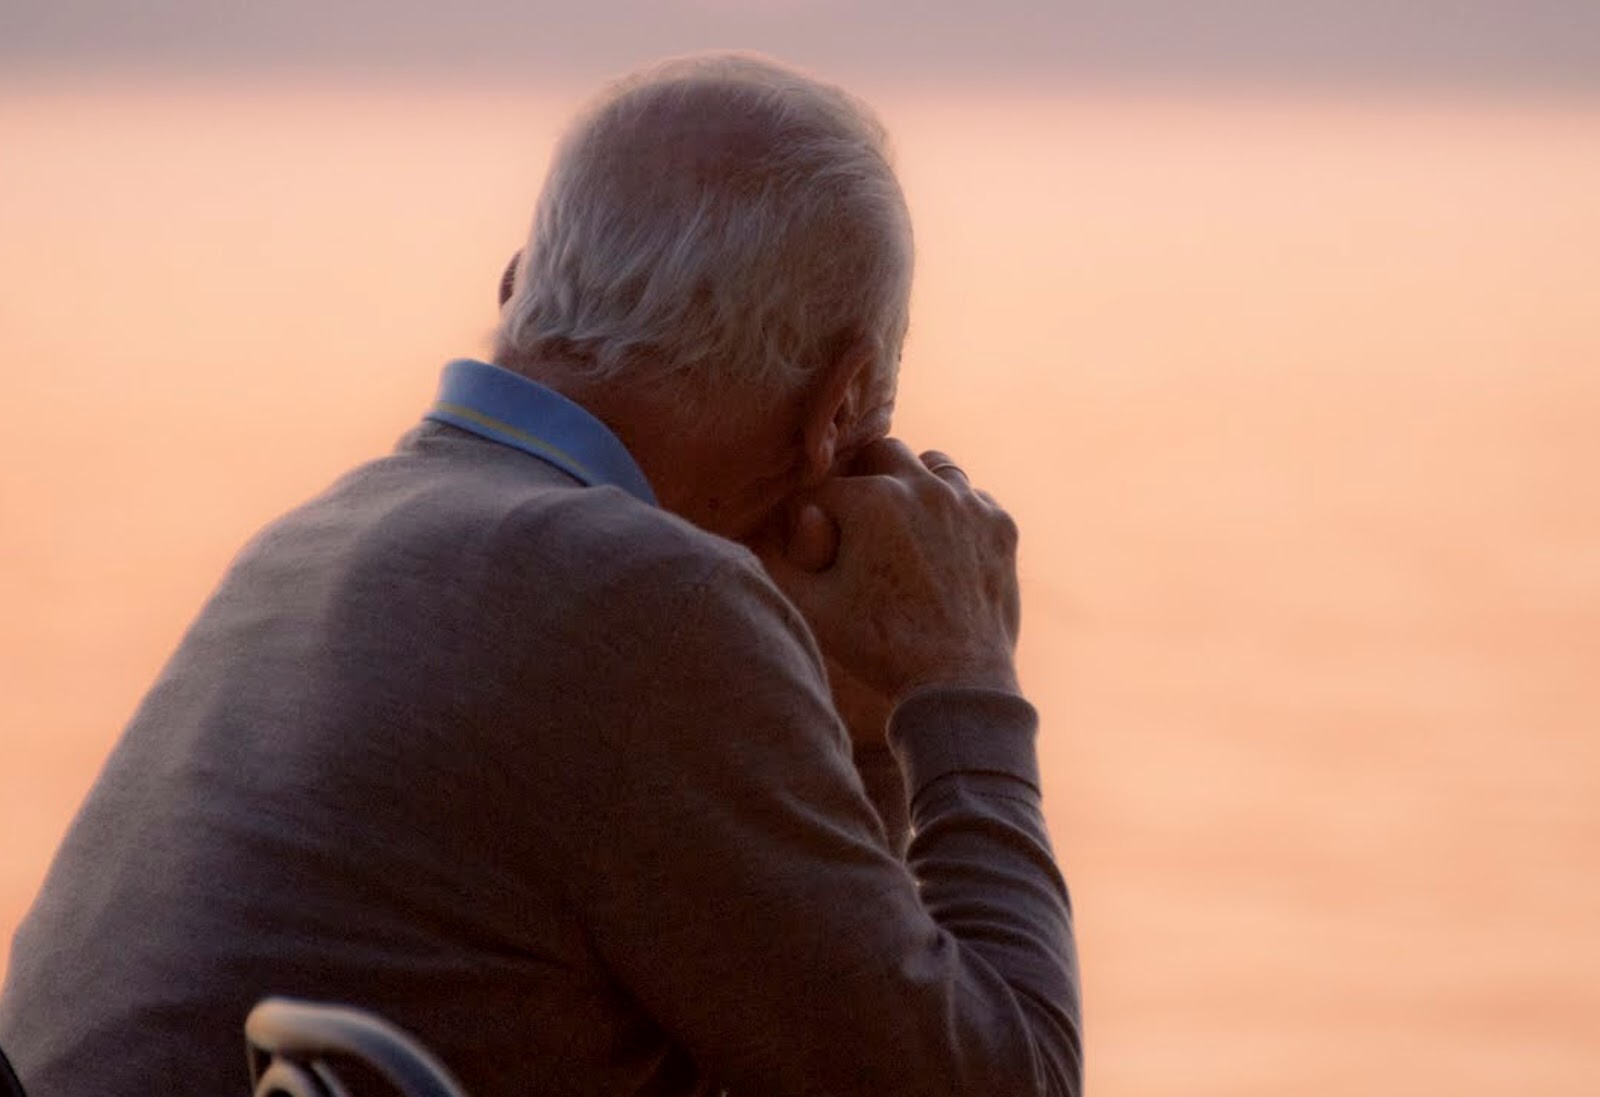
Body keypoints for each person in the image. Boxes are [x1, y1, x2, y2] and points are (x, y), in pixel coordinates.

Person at [0, 52, 1082, 1097]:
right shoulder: (650, 608)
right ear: (839, 409)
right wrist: (961, 678)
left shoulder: (321, 537)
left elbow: (813, 1030)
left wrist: (857, 713)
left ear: (517, 286)